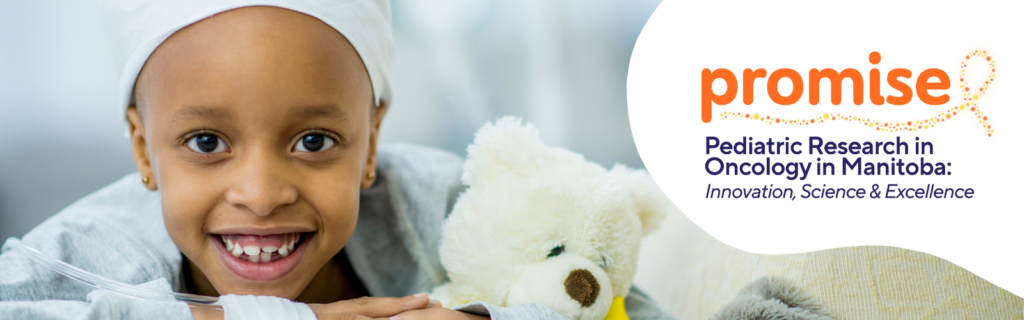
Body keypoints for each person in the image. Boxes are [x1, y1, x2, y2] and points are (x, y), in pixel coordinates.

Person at [0, 1, 674, 319]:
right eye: (207, 143)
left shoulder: (445, 207)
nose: (261, 194)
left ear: (372, 141)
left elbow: (611, 296)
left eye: (314, 142)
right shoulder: (90, 248)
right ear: (144, 149)